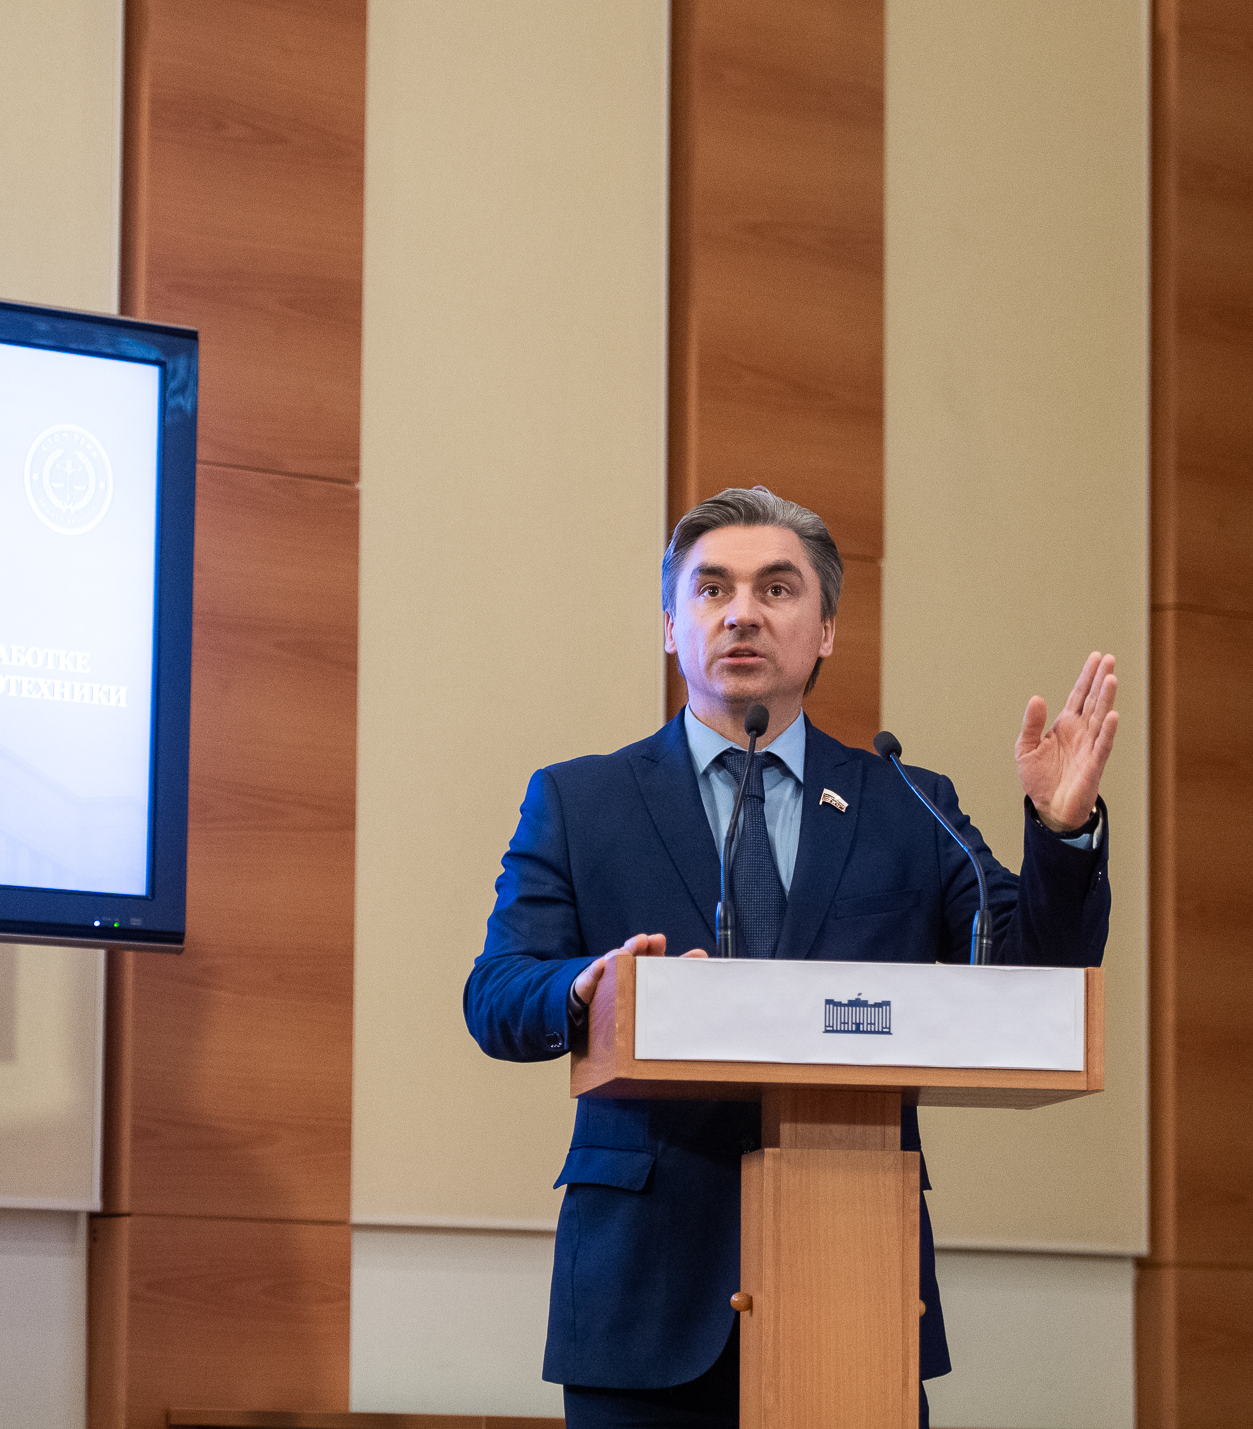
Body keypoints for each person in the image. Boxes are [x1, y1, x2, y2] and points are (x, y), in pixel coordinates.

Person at [463, 487, 1117, 1429]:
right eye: (712, 589)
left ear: (826, 631)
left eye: (776, 589)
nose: (742, 613)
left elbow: (1035, 981)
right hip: (645, 1295)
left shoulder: (906, 803)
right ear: (671, 626)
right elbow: (496, 989)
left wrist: (1060, 831)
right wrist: (588, 986)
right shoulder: (580, 801)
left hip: (854, 1281)